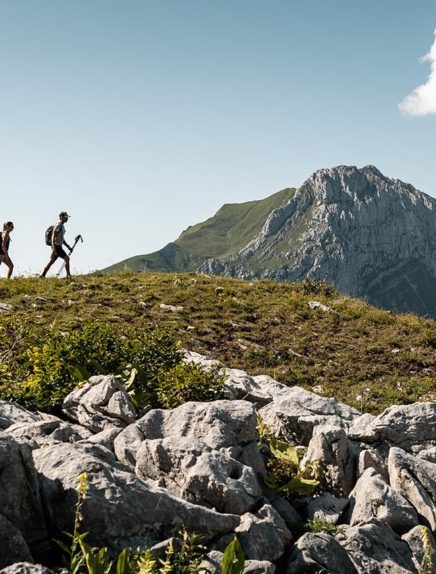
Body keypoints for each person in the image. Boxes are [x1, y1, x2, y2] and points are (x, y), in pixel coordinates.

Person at [41, 212, 73, 278]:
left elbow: (62, 239)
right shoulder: (58, 225)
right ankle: (68, 275)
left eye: (67, 217)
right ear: (61, 217)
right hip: (57, 246)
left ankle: (42, 275)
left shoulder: (62, 226)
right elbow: (53, 236)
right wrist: (54, 247)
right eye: (65, 217)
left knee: (51, 261)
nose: (67, 218)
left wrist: (68, 247)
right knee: (67, 259)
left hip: (58, 246)